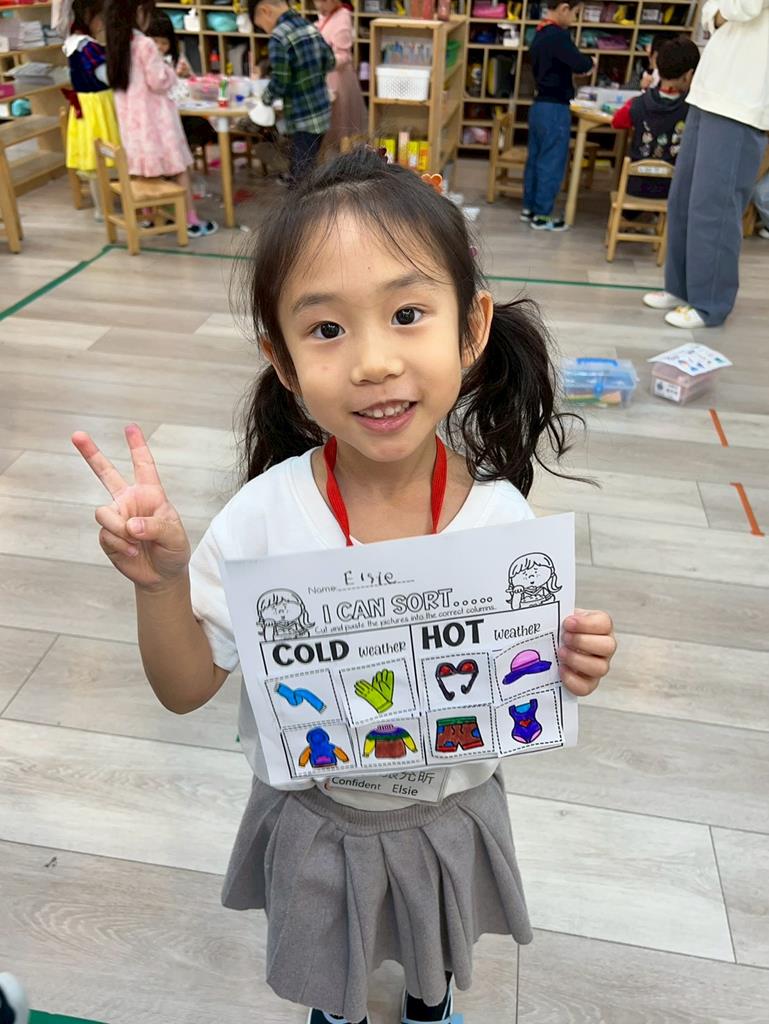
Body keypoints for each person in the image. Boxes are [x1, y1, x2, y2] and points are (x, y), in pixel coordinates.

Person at [71, 148, 616, 1024]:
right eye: (325, 329)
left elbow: (524, 676)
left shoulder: (502, 523)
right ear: (283, 362)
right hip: (315, 813)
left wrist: (570, 660)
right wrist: (162, 583)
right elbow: (184, 689)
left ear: (470, 328)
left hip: (448, 808)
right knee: (333, 952)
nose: (372, 362)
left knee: (432, 940)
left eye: (407, 314)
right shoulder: (260, 518)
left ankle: (428, 1001)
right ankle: (337, 1008)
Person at [643, 0, 769, 329]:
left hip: (741, 100)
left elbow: (743, 7)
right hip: (708, 91)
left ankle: (710, 303)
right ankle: (680, 289)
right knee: (684, 199)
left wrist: (721, 12)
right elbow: (709, 15)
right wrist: (720, 12)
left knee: (715, 207)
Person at [103, 0, 217, 238]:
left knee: (143, 171)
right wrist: (171, 73)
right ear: (138, 11)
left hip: (131, 124)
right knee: (179, 169)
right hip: (157, 121)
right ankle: (190, 220)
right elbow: (159, 81)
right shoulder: (144, 44)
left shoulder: (116, 44)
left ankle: (150, 218)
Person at [522, 0, 594, 231]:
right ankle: (542, 215)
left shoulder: (540, 33)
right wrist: (591, 62)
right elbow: (581, 63)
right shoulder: (558, 36)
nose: (574, 18)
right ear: (564, 8)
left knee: (535, 160)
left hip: (539, 105)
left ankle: (529, 208)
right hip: (555, 108)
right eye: (575, 13)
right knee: (551, 163)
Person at [248, 0, 335, 185]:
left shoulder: (279, 37)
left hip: (302, 117)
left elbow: (281, 82)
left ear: (265, 11)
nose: (266, 31)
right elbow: (330, 61)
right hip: (321, 111)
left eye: (262, 26)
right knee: (308, 166)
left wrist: (265, 100)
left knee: (301, 177)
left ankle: (303, 201)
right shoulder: (308, 26)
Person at [612, 36, 700, 200]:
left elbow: (617, 122)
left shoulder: (638, 103)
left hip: (636, 186)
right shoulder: (692, 110)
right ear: (689, 75)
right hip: (672, 190)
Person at [62, 0, 120, 220]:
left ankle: (102, 207)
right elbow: (107, 76)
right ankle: (104, 208)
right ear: (88, 16)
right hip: (98, 106)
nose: (103, 22)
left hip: (86, 106)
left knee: (96, 161)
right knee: (102, 158)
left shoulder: (74, 43)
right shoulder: (87, 47)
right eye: (100, 17)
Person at [145, 9, 219, 159]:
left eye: (164, 43)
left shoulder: (176, 58)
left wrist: (187, 76)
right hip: (157, 117)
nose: (159, 47)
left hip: (180, 113)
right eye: (155, 41)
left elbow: (191, 84)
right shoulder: (144, 61)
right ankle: (175, 156)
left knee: (203, 127)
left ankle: (183, 154)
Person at [314, 0, 367, 151]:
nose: (318, 6)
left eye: (321, 2)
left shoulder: (342, 16)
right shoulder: (328, 15)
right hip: (327, 77)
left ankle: (343, 162)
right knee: (331, 130)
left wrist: (322, 62)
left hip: (338, 80)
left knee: (342, 128)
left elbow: (344, 56)